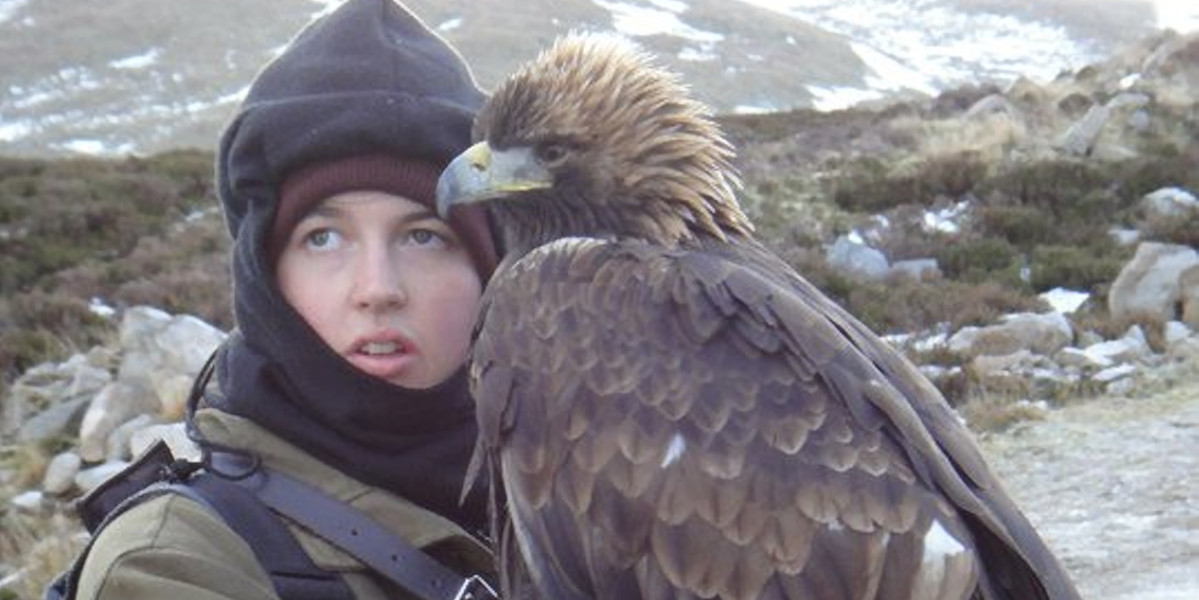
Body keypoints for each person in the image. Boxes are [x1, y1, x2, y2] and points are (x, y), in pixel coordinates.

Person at [71, 0, 500, 598]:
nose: (377, 288)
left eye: (425, 236)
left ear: (492, 269)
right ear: (265, 279)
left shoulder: (601, 498)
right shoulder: (173, 560)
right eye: (322, 238)